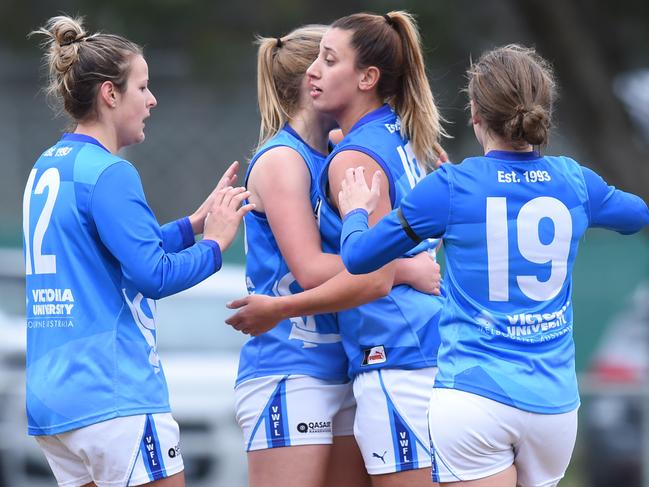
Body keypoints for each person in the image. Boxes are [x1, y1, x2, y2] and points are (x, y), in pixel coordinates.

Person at [336, 44, 649, 487]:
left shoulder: (450, 186)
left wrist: (353, 211)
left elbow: (357, 258)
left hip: (473, 398)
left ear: (474, 112)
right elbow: (638, 214)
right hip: (553, 406)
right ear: (544, 110)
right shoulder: (574, 180)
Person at [23, 15, 253, 487]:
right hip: (111, 394)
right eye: (142, 87)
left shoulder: (49, 165)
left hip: (54, 399)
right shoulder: (111, 172)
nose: (152, 100)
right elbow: (153, 275)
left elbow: (118, 253)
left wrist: (193, 225)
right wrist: (217, 243)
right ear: (110, 93)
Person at [228, 11, 446, 487]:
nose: (318, 73)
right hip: (292, 363)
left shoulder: (342, 149)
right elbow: (309, 268)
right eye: (320, 62)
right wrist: (404, 269)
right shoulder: (285, 160)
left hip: (348, 362)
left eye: (331, 61)